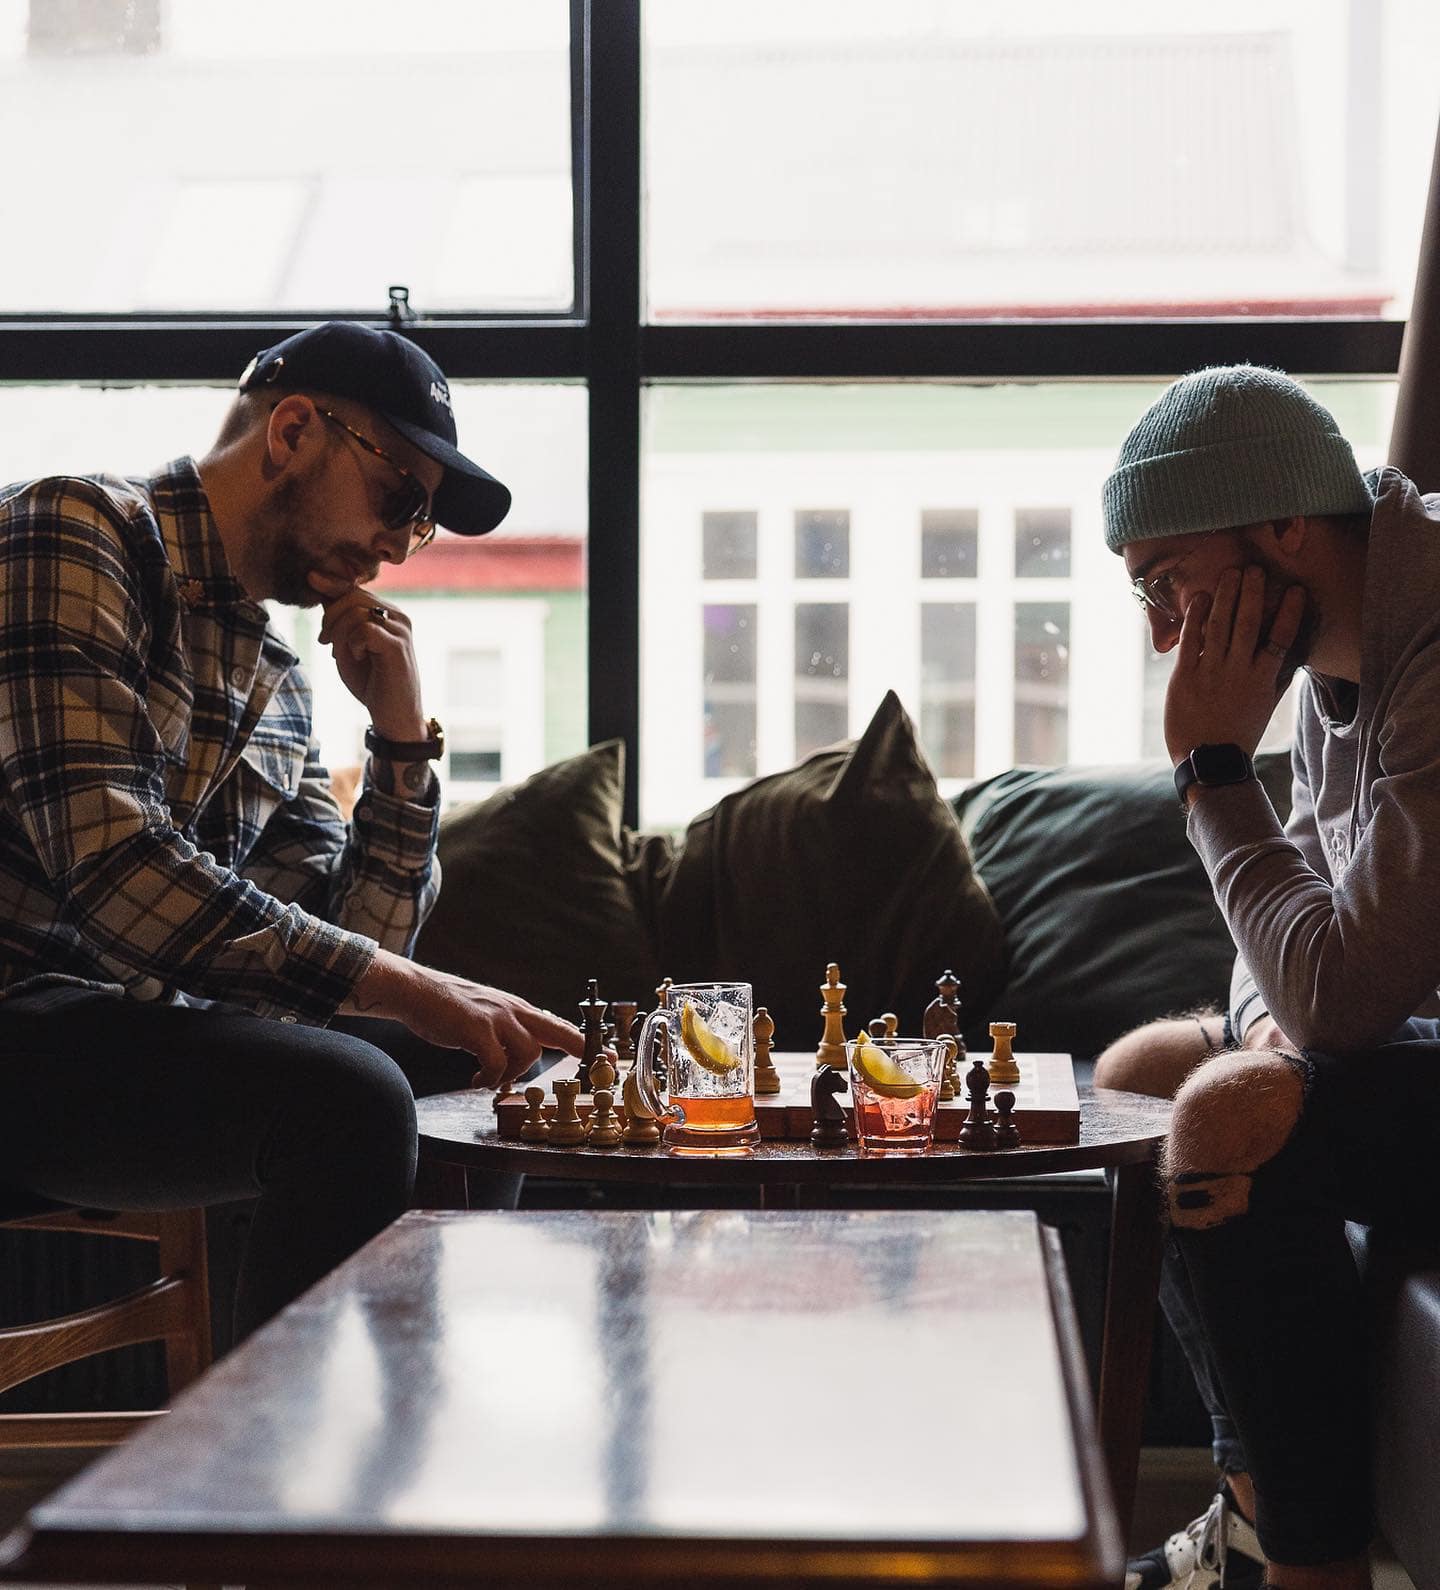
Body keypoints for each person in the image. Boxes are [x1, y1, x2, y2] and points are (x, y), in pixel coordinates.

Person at [0, 321, 584, 1340]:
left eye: (424, 525)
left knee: (496, 1063)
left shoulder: (276, 682)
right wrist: (406, 990)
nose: (404, 544)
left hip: (134, 1032)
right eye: (401, 495)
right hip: (22, 1021)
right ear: (295, 431)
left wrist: (402, 740)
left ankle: (406, 1439)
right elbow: (116, 869)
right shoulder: (75, 533)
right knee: (350, 1095)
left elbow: (352, 940)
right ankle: (265, 1480)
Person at [1093, 363, 1440, 1590]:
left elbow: (1340, 993)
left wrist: (1209, 767)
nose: (1162, 635)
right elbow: (1280, 956)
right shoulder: (1346, 653)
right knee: (1145, 1074)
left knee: (1233, 1113)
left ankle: (1313, 1569)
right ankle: (1250, 1520)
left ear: (1284, 525)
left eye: (1167, 584)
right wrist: (1281, 1034)